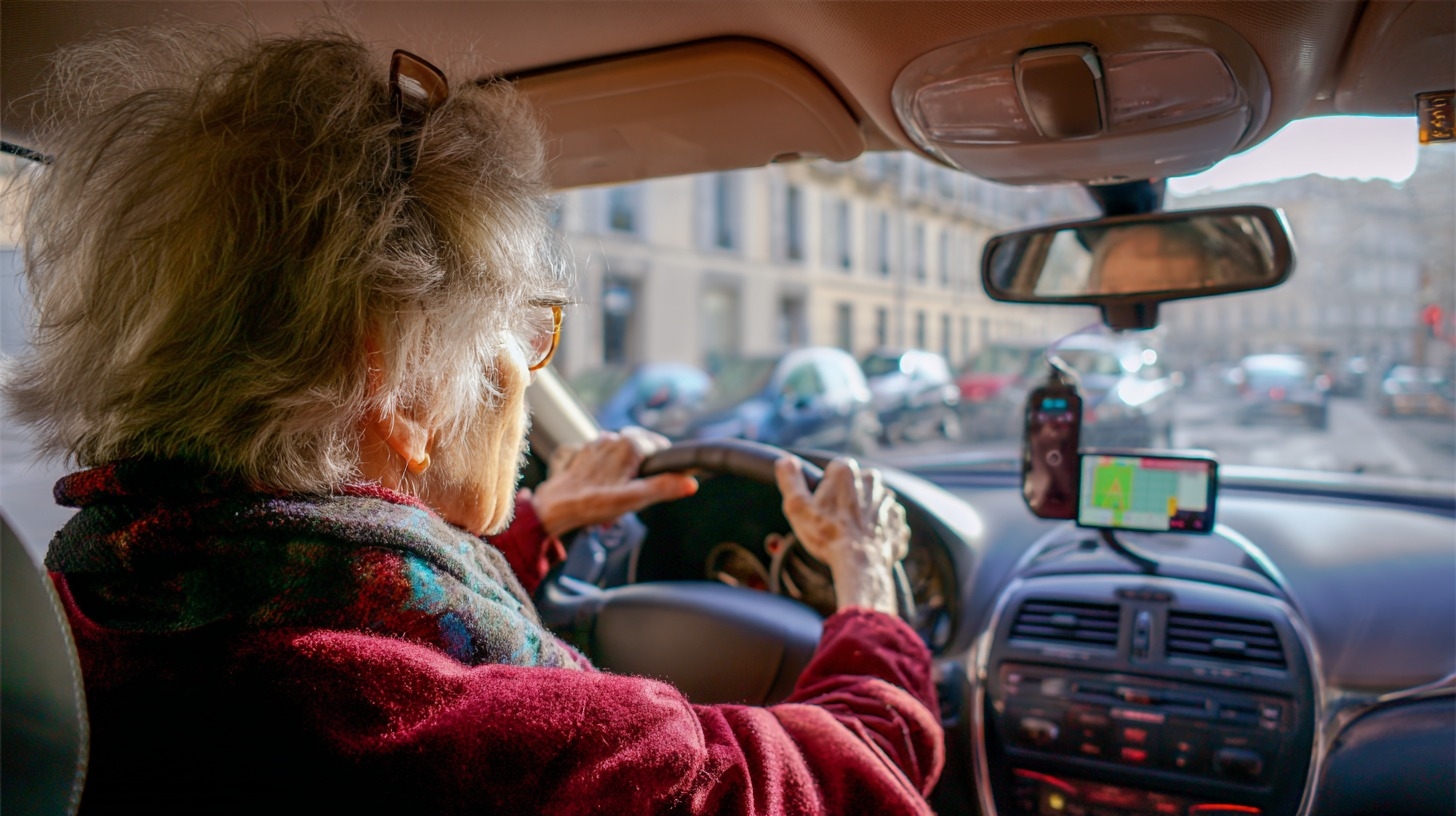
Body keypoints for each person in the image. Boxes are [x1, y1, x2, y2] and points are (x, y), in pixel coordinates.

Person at [4, 26, 943, 814]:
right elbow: (855, 772)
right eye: (530, 326)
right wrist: (866, 582)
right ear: (404, 388)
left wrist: (539, 526)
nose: (536, 374)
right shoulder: (520, 751)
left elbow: (347, 593)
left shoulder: (76, 622)